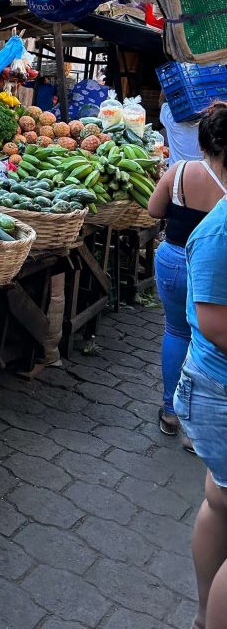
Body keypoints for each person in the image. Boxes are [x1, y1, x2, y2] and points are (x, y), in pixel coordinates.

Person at [172, 104, 227, 629]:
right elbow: (213, 324)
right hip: (218, 388)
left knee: (220, 500)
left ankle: (205, 613)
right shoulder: (218, 232)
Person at [148, 111, 227, 440]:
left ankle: (170, 413)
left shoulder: (179, 171)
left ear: (202, 140)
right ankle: (200, 431)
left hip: (174, 260)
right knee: (207, 342)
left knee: (176, 331)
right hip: (215, 271)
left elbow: (154, 210)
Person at [160, 100, 203, 167]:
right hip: (202, 174)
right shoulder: (210, 123)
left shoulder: (170, 117)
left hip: (176, 174)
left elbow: (162, 103)